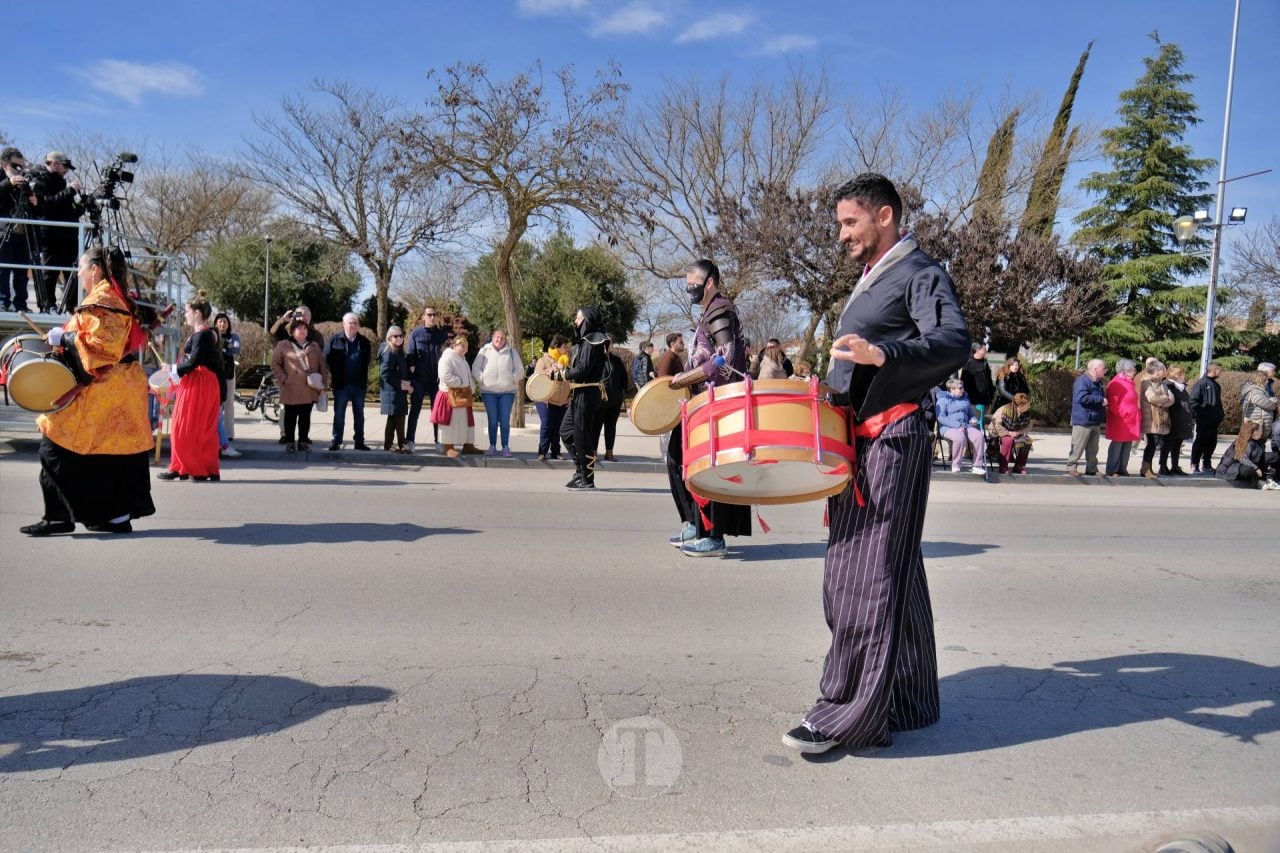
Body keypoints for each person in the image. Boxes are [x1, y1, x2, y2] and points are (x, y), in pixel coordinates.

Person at [781, 173, 969, 755]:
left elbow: (954, 341)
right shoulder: (876, 278)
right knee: (895, 571)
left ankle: (846, 716)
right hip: (863, 442)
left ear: (883, 216)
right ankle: (908, 700)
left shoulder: (919, 273)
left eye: (849, 222)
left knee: (860, 576)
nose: (841, 234)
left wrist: (884, 352)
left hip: (891, 442)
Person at [21, 246, 155, 535]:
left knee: (54, 443)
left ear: (94, 270)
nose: (78, 273)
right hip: (118, 388)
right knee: (110, 453)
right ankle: (114, 518)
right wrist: (65, 338)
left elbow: (101, 348)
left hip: (104, 386)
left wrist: (65, 337)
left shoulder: (104, 299)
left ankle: (60, 518)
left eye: (81, 268)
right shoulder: (110, 296)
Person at [665, 259, 753, 555]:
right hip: (702, 402)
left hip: (718, 403)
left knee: (709, 468)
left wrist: (686, 377)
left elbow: (724, 358)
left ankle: (713, 536)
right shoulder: (709, 313)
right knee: (678, 458)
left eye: (693, 282)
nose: (689, 286)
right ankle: (693, 522)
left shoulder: (720, 311)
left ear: (710, 282)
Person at [158, 292, 222, 483]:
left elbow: (194, 361)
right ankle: (183, 467)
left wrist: (171, 368)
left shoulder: (203, 334)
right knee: (196, 429)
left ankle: (192, 468)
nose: (184, 314)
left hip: (199, 384)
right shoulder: (202, 334)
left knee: (185, 427)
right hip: (199, 383)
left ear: (197, 313)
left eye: (187, 311)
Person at [561, 306, 608, 490]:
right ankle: (581, 468)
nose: (575, 321)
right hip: (579, 392)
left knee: (582, 435)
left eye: (578, 318)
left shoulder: (592, 341)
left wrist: (561, 375)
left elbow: (582, 370)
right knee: (566, 432)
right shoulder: (585, 342)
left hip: (588, 393)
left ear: (587, 320)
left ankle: (587, 479)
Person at [32, 151, 82, 313]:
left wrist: (83, 205)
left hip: (68, 235)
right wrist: (70, 191)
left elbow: (68, 209)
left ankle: (71, 306)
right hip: (51, 234)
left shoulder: (61, 182)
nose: (66, 170)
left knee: (72, 272)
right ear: (54, 163)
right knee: (50, 271)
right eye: (64, 166)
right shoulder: (40, 180)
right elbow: (46, 205)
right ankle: (48, 305)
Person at [272, 319, 328, 452]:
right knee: (290, 416)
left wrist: (323, 386)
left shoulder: (314, 346)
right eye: (299, 328)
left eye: (305, 328)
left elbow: (322, 367)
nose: (302, 331)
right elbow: (275, 364)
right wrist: (284, 379)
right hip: (290, 387)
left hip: (308, 388)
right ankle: (290, 442)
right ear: (292, 331)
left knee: (305, 417)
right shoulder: (283, 345)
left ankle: (303, 441)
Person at [324, 313, 373, 451]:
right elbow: (325, 359)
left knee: (359, 415)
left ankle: (359, 442)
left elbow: (367, 361)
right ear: (344, 324)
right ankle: (336, 440)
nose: (353, 325)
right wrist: (334, 373)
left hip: (359, 385)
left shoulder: (364, 342)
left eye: (355, 323)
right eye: (350, 323)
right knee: (339, 414)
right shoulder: (334, 340)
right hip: (341, 385)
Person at [405, 305, 449, 451]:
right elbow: (410, 352)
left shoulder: (441, 335)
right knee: (415, 410)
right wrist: (411, 368)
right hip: (418, 379)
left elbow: (447, 353)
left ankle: (439, 441)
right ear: (423, 316)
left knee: (437, 411)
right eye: (429, 314)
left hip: (436, 380)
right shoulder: (415, 334)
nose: (431, 317)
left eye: (434, 315)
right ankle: (410, 440)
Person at [472, 328, 521, 457]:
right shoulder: (484, 351)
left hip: (507, 392)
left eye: (502, 338)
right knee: (492, 420)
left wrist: (512, 379)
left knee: (505, 421)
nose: (499, 340)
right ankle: (492, 446)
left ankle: (505, 447)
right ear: (492, 338)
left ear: (505, 339)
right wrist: (482, 379)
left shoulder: (511, 352)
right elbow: (475, 368)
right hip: (489, 392)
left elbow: (520, 370)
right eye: (497, 337)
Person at [433, 335, 482, 457]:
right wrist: (461, 383)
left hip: (463, 394)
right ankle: (448, 446)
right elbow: (445, 376)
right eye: (462, 346)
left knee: (466, 421)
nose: (465, 348)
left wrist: (471, 387)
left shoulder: (463, 359)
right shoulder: (446, 358)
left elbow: (468, 376)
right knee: (450, 421)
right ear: (454, 345)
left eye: (466, 346)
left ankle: (468, 444)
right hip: (450, 395)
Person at [1, 147, 36, 312]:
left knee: (21, 272)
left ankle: (21, 304)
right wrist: (9, 183)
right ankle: (2, 302)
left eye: (22, 167)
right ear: (3, 164)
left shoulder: (24, 182)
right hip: (4, 233)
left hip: (23, 233)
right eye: (15, 166)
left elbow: (37, 208)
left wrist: (35, 200)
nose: (19, 171)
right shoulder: (4, 180)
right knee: (3, 270)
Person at [1063, 359, 1107, 477]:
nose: (1105, 371)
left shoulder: (1099, 382)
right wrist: (1101, 400)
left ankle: (1092, 469)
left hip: (1095, 420)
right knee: (1078, 445)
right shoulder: (1082, 381)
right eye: (1103, 368)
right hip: (1083, 419)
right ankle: (1071, 467)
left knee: (1093, 448)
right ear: (1095, 369)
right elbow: (1082, 398)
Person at [935, 378, 986, 475]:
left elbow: (971, 413)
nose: (963, 390)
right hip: (947, 427)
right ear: (952, 389)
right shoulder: (943, 400)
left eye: (962, 388)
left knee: (979, 436)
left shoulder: (965, 399)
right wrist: (957, 425)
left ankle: (977, 465)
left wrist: (973, 419)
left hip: (966, 426)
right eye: (960, 388)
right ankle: (956, 465)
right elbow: (940, 417)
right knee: (959, 437)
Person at [533, 335, 571, 461]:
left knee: (558, 427)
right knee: (547, 425)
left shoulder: (566, 361)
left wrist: (570, 396)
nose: (567, 349)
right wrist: (551, 369)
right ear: (556, 347)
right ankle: (542, 452)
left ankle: (556, 452)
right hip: (546, 400)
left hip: (562, 401)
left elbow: (571, 381)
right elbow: (537, 379)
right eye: (564, 347)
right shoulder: (543, 361)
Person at [1215, 420, 1279, 490]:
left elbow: (1259, 457)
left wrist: (1266, 465)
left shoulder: (1259, 442)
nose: (1262, 432)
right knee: (1249, 470)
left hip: (1250, 463)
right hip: (1233, 467)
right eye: (1260, 430)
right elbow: (1242, 459)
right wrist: (1256, 468)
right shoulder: (1245, 442)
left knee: (1275, 457)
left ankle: (1270, 481)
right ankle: (1259, 483)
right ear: (1255, 432)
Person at [592, 339, 628, 462]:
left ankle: (609, 452)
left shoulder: (616, 360)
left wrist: (623, 393)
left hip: (615, 401)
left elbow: (624, 378)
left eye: (609, 345)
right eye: (605, 345)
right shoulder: (596, 360)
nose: (607, 347)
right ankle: (593, 453)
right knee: (595, 428)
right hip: (599, 401)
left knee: (611, 428)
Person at [1104, 359, 1141, 477]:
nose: (1134, 371)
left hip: (1130, 420)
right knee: (1117, 444)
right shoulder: (1117, 383)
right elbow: (1113, 403)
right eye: (1132, 369)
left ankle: (1122, 468)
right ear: (1125, 371)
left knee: (1127, 445)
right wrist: (1123, 414)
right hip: (1121, 420)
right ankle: (1112, 469)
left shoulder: (1129, 382)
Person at [1138, 360, 1173, 479]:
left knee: (1155, 443)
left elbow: (1171, 399)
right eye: (1163, 370)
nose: (1165, 372)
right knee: (1151, 443)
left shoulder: (1162, 383)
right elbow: (1152, 398)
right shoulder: (1147, 383)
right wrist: (1165, 398)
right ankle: (1145, 469)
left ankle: (1149, 468)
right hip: (1151, 418)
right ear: (1157, 371)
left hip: (1161, 417)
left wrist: (1165, 400)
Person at [213, 313, 241, 458]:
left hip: (228, 373)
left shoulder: (234, 336)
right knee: (215, 405)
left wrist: (224, 346)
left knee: (228, 402)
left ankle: (229, 433)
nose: (222, 324)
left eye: (224, 322)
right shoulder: (211, 335)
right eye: (219, 322)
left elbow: (235, 349)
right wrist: (225, 347)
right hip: (214, 374)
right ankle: (215, 433)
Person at [1188, 361, 1224, 474]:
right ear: (1213, 371)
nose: (1221, 372)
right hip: (1204, 420)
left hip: (1214, 421)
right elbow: (1193, 401)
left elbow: (1217, 403)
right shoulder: (1201, 383)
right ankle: (1194, 464)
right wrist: (1202, 412)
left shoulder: (1216, 385)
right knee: (1200, 442)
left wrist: (1220, 415)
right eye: (1219, 370)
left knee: (1212, 442)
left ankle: (1206, 464)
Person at [379, 325, 410, 452]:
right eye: (395, 336)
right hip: (392, 390)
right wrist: (401, 384)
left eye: (400, 336)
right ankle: (401, 444)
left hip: (396, 390)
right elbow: (385, 373)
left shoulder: (398, 350)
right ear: (389, 338)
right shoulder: (389, 351)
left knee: (393, 418)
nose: (398, 338)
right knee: (398, 417)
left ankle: (389, 444)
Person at [1160, 365, 1193, 475]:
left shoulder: (1181, 387)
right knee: (1167, 444)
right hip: (1172, 419)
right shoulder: (1168, 385)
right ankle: (1163, 466)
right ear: (1176, 375)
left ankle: (1175, 465)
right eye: (1183, 374)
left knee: (1177, 444)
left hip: (1182, 420)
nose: (1185, 377)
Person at [988, 392, 1033, 474]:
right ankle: (1003, 466)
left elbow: (1029, 425)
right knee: (1008, 441)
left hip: (1015, 431)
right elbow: (996, 424)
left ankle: (1019, 466)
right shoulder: (1005, 410)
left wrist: (1020, 433)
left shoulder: (1027, 413)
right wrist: (1008, 432)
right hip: (999, 431)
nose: (1029, 406)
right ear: (1020, 406)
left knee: (1027, 441)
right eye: (1027, 405)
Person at [1239, 369, 1277, 444]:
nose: (1266, 381)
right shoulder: (1254, 390)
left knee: (1257, 447)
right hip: (1256, 424)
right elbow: (1265, 403)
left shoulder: (1259, 390)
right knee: (1253, 447)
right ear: (1260, 379)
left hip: (1258, 423)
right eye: (1265, 379)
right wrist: (1274, 401)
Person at [961, 342, 995, 412]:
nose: (986, 351)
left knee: (982, 421)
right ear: (977, 350)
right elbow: (964, 383)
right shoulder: (969, 363)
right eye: (984, 349)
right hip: (974, 402)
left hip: (986, 400)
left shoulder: (985, 362)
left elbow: (988, 380)